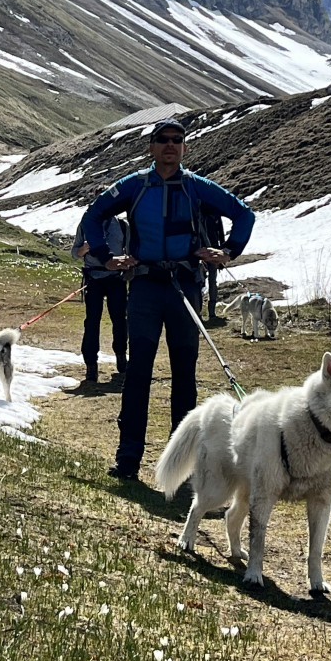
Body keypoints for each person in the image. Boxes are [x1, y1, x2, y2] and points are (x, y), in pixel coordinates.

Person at [79, 119, 254, 480]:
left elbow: (243, 215)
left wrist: (229, 252)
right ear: (152, 147)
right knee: (138, 374)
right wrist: (103, 255)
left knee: (184, 378)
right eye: (163, 140)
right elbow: (94, 215)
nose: (170, 145)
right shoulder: (134, 186)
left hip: (185, 286)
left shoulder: (197, 187)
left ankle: (184, 466)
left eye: (177, 140)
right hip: (144, 287)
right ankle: (128, 460)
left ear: (184, 148)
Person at [71, 213, 129, 383]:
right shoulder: (85, 225)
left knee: (119, 319)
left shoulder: (122, 225)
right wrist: (83, 249)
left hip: (116, 278)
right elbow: (75, 252)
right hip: (93, 279)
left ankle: (121, 356)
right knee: (92, 322)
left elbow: (130, 249)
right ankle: (91, 365)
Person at [200, 205, 226, 322]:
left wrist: (222, 254)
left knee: (210, 281)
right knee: (202, 281)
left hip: (212, 251)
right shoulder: (199, 213)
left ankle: (211, 313)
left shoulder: (214, 214)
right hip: (200, 253)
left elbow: (221, 234)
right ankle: (200, 311)